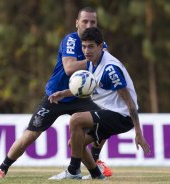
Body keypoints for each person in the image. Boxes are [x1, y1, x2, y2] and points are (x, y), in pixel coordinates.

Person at [0, 7, 112, 179]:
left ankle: (95, 164)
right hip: (56, 96)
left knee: (106, 120)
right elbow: (69, 68)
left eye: (92, 22)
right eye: (84, 21)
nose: (88, 25)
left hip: (80, 97)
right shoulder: (70, 40)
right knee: (31, 134)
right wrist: (95, 57)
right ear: (77, 23)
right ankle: (2, 168)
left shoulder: (101, 45)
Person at [48, 27, 151, 180]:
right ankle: (97, 175)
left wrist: (138, 132)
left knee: (76, 119)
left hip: (122, 116)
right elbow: (87, 86)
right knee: (75, 143)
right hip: (109, 112)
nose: (86, 50)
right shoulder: (91, 62)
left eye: (91, 46)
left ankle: (73, 171)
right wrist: (63, 93)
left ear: (101, 46)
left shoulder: (110, 69)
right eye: (83, 46)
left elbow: (130, 103)